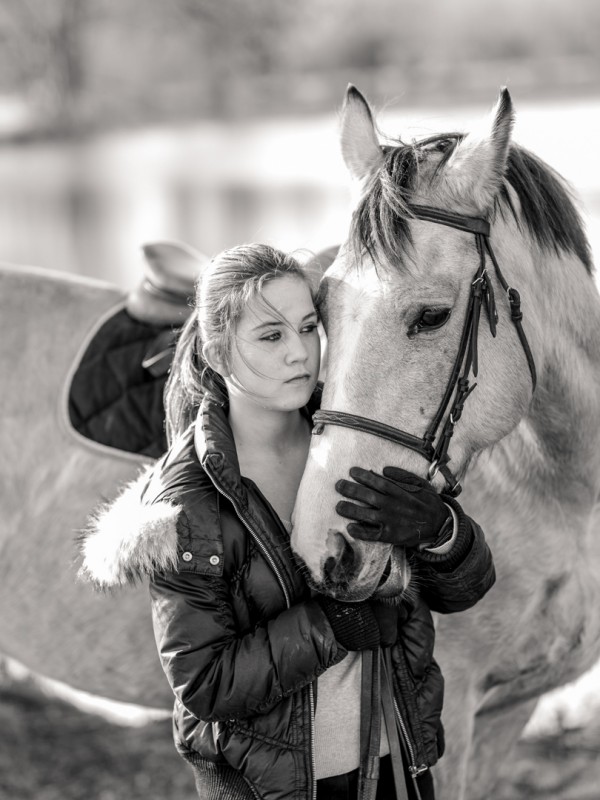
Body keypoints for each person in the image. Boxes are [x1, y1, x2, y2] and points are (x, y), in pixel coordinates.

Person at [80, 243, 495, 800]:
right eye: (271, 336)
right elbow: (204, 684)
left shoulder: (360, 444)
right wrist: (332, 626)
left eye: (307, 328)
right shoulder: (187, 504)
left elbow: (465, 589)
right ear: (217, 351)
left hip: (399, 766)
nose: (300, 353)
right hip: (273, 789)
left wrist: (441, 530)